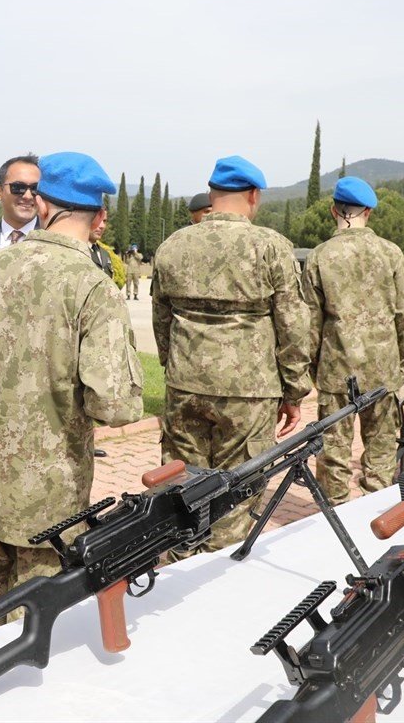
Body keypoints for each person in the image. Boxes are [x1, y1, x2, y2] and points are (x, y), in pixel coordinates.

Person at [0, 151, 143, 616]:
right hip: (53, 495)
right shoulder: (93, 287)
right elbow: (115, 405)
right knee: (41, 618)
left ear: (43, 207)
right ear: (100, 216)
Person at [152, 155, 310, 553]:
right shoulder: (270, 247)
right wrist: (293, 392)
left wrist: (175, 367)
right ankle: (217, 571)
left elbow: (161, 319)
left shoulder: (173, 245)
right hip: (248, 393)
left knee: (182, 488)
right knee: (236, 493)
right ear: (253, 196)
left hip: (184, 384)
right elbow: (293, 326)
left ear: (212, 194)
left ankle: (178, 566)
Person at [302, 177, 404, 505]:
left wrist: (313, 369)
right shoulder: (391, 253)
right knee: (381, 453)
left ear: (333, 210)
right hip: (383, 372)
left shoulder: (320, 256)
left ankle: (335, 518)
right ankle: (373, 511)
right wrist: (401, 367)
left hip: (337, 372)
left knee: (333, 452)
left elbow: (309, 323)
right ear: (369, 212)